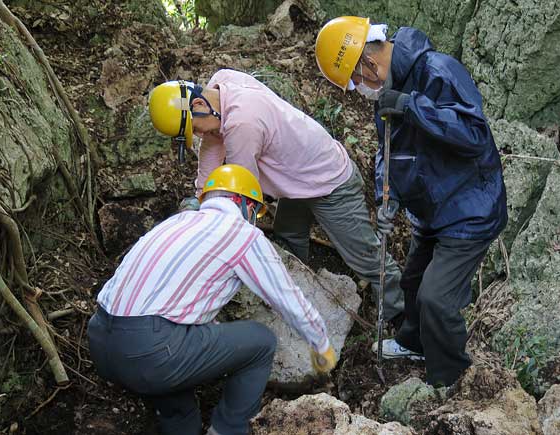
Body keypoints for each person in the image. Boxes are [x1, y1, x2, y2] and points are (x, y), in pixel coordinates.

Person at [315, 17, 508, 387]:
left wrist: (413, 107)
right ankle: (414, 343)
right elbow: (388, 153)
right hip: (432, 211)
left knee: (436, 299)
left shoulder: (438, 70)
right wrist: (388, 197)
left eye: (355, 81)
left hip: (470, 208)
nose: (358, 90)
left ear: (367, 64)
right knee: (413, 283)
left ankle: (450, 379)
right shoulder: (389, 91)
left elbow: (474, 135)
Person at [87, 164, 337, 435]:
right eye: (255, 212)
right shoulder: (242, 234)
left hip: (101, 341)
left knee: (179, 409)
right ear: (245, 204)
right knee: (261, 341)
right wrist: (321, 344)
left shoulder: (176, 222)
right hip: (152, 352)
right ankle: (227, 430)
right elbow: (287, 298)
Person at [148, 72, 405, 323]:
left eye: (196, 128)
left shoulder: (242, 123)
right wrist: (200, 195)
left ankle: (401, 313)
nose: (199, 135)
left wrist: (220, 241)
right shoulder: (221, 83)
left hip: (329, 183)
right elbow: (212, 144)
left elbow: (241, 198)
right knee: (288, 234)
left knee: (366, 257)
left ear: (199, 104)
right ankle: (293, 290)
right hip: (295, 179)